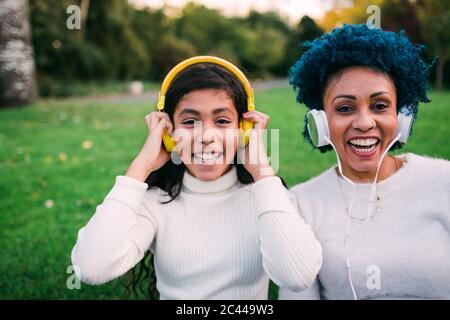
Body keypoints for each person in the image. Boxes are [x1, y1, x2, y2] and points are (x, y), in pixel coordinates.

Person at [71, 56, 322, 300]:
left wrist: (262, 172)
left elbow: (297, 277)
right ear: (169, 132)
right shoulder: (156, 203)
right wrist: (141, 166)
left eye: (222, 120)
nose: (206, 136)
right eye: (190, 121)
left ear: (243, 130)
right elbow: (91, 268)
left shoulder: (269, 198)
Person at [279, 25, 450, 300]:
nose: (364, 123)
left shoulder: (444, 181)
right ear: (321, 123)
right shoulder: (302, 204)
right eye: (345, 108)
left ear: (402, 117)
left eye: (380, 105)